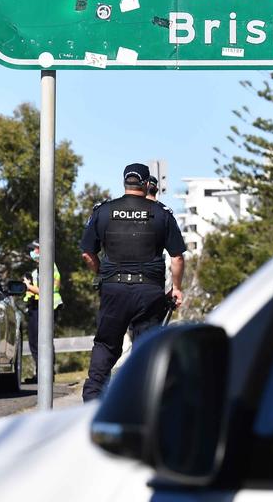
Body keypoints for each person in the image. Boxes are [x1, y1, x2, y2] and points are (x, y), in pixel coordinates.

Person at [80, 163, 186, 402]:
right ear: (148, 184)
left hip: (113, 290)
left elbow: (88, 253)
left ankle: (93, 400)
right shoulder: (162, 213)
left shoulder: (104, 211)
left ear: (124, 182)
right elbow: (177, 257)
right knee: (146, 348)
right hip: (149, 293)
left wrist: (101, 274)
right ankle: (142, 402)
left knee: (106, 345)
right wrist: (176, 288)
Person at [22, 239, 62, 385]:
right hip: (38, 306)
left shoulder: (47, 266)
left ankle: (45, 374)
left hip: (45, 306)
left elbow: (45, 290)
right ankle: (41, 373)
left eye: (35, 249)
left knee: (41, 341)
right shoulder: (39, 269)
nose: (32, 252)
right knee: (36, 341)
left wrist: (27, 286)